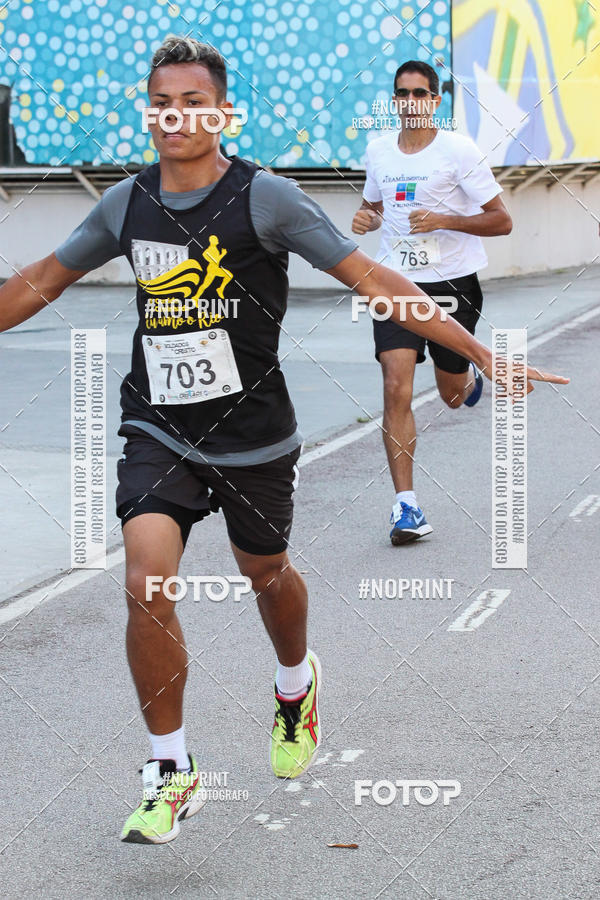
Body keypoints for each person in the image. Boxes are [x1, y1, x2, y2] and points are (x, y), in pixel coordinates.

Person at [0, 36, 567, 845]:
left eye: (195, 101)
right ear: (149, 109)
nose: (177, 115)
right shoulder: (124, 204)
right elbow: (40, 281)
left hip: (256, 434)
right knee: (145, 579)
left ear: (222, 110)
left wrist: (478, 349)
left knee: (267, 575)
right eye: (163, 100)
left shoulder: (267, 200)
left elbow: (373, 279)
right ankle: (170, 769)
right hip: (158, 425)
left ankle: (295, 685)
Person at [352, 60, 513, 545]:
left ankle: (467, 377)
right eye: (401, 94)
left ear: (435, 102)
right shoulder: (379, 149)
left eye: (419, 93)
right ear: (394, 100)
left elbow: (502, 220)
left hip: (452, 286)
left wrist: (447, 219)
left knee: (452, 395)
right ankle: (407, 508)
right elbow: (375, 206)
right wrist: (366, 219)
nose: (410, 102)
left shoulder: (458, 151)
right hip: (394, 285)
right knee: (395, 385)